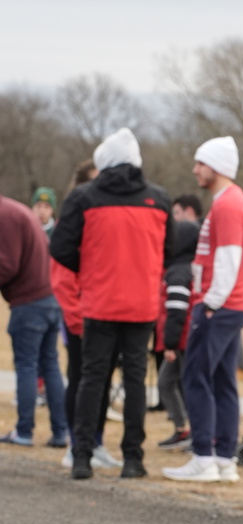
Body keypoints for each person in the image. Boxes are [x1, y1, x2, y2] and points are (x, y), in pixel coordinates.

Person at [50, 127, 171, 479]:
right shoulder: (159, 199)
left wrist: (91, 269)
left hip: (100, 301)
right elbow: (168, 250)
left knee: (92, 378)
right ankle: (133, 458)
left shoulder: (84, 197)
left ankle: (82, 456)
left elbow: (59, 247)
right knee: (135, 381)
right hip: (141, 303)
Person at [164, 136, 243, 484]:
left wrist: (210, 303)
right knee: (222, 380)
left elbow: (229, 259)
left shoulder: (228, 205)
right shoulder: (232, 201)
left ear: (216, 166)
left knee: (196, 377)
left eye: (200, 163)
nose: (195, 170)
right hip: (231, 305)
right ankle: (224, 458)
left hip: (220, 305)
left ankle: (203, 456)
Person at [50, 160, 120, 470]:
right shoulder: (71, 221)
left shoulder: (100, 217)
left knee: (102, 381)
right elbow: (62, 280)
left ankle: (96, 442)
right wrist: (77, 319)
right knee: (80, 378)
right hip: (80, 318)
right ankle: (75, 444)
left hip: (103, 314)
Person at [0, 192, 69, 448]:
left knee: (27, 366)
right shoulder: (16, 211)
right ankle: (60, 431)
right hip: (49, 298)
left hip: (29, 303)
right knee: (49, 365)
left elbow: (7, 265)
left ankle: (24, 431)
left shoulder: (5, 216)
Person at [156, 218, 200, 450]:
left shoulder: (179, 273)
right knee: (165, 382)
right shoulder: (187, 268)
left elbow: (177, 311)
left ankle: (197, 432)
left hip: (183, 341)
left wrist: (170, 344)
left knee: (188, 386)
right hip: (183, 339)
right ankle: (182, 428)